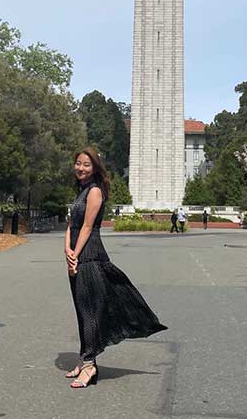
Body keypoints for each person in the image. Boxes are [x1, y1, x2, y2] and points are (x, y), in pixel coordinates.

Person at [65, 147, 167, 388]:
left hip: (90, 255)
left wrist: (75, 255)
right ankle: (84, 358)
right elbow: (72, 224)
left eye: (86, 165)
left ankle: (89, 366)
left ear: (95, 168)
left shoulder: (95, 191)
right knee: (82, 310)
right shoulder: (81, 191)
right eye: (78, 163)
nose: (81, 168)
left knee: (90, 311)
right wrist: (67, 251)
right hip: (75, 254)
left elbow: (88, 228)